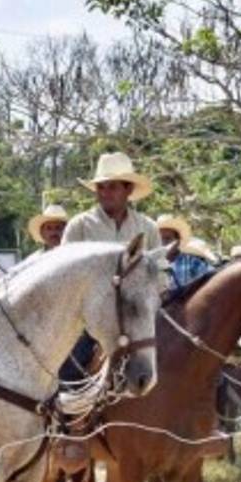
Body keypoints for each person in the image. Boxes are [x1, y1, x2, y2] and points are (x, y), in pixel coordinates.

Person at [60, 152, 159, 380]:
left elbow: (159, 277)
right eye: (101, 188)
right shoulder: (80, 226)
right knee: (67, 375)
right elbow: (64, 275)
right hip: (88, 322)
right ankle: (64, 410)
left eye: (112, 187)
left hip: (138, 319)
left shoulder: (148, 228)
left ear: (129, 190)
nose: (105, 193)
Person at [156, 214, 212, 289]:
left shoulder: (192, 261)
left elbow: (211, 282)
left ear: (178, 241)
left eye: (167, 239)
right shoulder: (152, 263)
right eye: (159, 239)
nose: (163, 243)